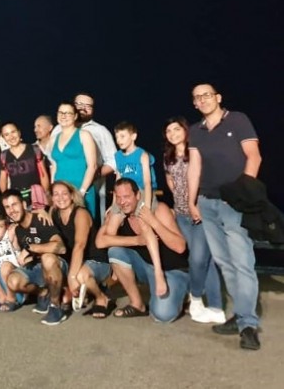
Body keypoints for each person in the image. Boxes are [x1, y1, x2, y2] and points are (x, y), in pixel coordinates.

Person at [187, 83, 262, 349]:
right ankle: (240, 315)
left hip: (235, 203)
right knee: (224, 262)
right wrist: (192, 200)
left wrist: (242, 192)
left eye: (207, 95)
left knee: (242, 262)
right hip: (207, 203)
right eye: (198, 97)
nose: (203, 100)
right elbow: (194, 167)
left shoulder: (238, 120)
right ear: (194, 103)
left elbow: (254, 157)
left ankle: (248, 324)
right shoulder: (195, 131)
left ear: (218, 97)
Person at [95, 178, 189, 322]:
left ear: (138, 195)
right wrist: (137, 240)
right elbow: (100, 242)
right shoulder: (119, 213)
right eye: (118, 197)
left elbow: (180, 247)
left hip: (172, 269)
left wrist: (154, 222)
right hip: (146, 267)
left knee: (162, 316)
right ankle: (137, 304)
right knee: (115, 251)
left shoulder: (158, 209)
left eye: (126, 196)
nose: (122, 202)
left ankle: (182, 294)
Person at [163, 117, 224, 324]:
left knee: (199, 258)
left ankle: (196, 297)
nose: (172, 134)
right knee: (203, 259)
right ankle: (216, 307)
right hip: (181, 215)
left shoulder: (196, 151)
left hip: (200, 213)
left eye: (176, 129)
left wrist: (197, 202)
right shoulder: (168, 156)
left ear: (185, 130)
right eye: (169, 131)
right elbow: (170, 179)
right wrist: (177, 201)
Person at [0, 189, 69, 325]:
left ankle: (55, 307)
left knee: (47, 258)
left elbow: (61, 247)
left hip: (57, 265)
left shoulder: (40, 219)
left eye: (14, 205)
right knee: (13, 281)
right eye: (7, 207)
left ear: (24, 205)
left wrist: (31, 248)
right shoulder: (18, 229)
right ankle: (44, 293)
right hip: (38, 267)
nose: (11, 210)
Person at [49, 180, 112, 319]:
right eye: (56, 194)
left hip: (96, 260)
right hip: (76, 260)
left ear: (72, 195)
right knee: (50, 262)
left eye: (64, 193)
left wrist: (71, 277)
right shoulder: (54, 213)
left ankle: (101, 297)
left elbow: (80, 245)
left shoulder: (80, 213)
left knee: (80, 276)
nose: (60, 198)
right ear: (52, 198)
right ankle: (76, 292)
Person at [73, 93, 118, 222]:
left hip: (93, 192)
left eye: (88, 106)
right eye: (79, 104)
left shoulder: (100, 131)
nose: (83, 108)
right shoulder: (59, 129)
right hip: (64, 191)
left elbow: (114, 161)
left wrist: (96, 173)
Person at [49, 102, 98, 219]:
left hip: (81, 190)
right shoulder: (53, 138)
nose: (63, 116)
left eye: (68, 113)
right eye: (61, 112)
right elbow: (54, 165)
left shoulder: (84, 135)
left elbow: (92, 166)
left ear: (75, 116)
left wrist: (82, 192)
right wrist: (53, 191)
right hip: (61, 195)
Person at [0, 121, 50, 210]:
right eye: (6, 134)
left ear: (19, 132)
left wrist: (46, 194)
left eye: (13, 132)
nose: (11, 137)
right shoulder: (4, 155)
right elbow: (3, 180)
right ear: (3, 138)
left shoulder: (34, 149)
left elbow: (43, 174)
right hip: (17, 199)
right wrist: (6, 199)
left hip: (36, 197)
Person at [113, 121, 157, 211]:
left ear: (133, 136)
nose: (118, 140)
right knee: (112, 216)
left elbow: (147, 183)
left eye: (122, 136)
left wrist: (147, 206)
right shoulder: (117, 156)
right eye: (117, 137)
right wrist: (113, 205)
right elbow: (118, 181)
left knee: (141, 217)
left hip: (143, 192)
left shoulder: (142, 155)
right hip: (124, 194)